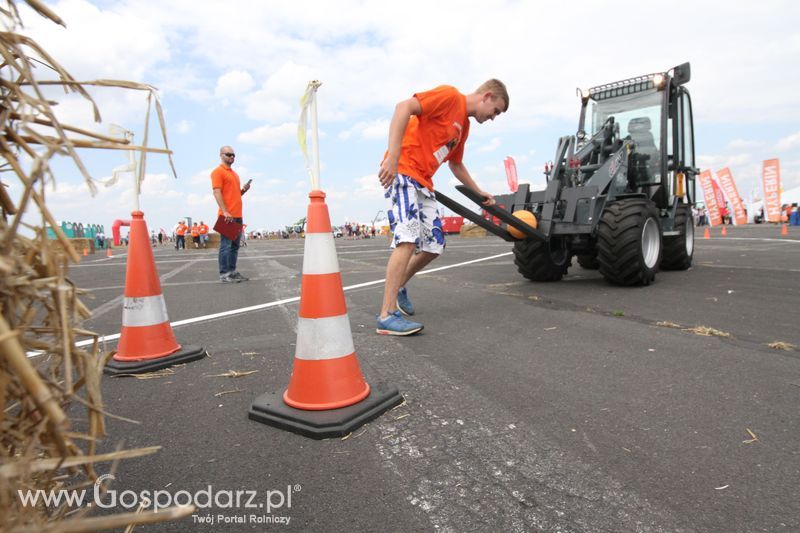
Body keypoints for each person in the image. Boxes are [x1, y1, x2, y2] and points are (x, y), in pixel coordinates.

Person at [376, 79, 509, 335]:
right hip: (403, 171)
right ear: (487, 96)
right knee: (408, 238)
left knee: (435, 245)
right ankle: (387, 315)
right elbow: (403, 107)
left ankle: (400, 285)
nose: (493, 118)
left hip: (424, 182)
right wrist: (392, 156)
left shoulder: (464, 127)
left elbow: (456, 165)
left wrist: (478, 191)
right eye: (495, 112)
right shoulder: (450, 97)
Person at [211, 145, 251, 283]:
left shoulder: (234, 174)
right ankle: (224, 274)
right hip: (227, 216)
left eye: (233, 155)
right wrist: (225, 211)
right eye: (228, 154)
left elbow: (234, 195)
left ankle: (232, 271)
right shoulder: (218, 172)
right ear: (221, 155)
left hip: (238, 215)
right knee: (226, 246)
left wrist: (244, 191)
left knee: (234, 246)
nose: (232, 157)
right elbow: (217, 192)